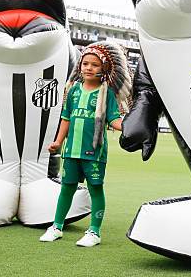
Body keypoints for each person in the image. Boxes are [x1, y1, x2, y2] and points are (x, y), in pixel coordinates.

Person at [39, 42, 131, 247]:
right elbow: (66, 118)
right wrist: (58, 142)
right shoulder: (73, 91)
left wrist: (130, 127)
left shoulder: (106, 94)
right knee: (66, 188)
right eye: (85, 63)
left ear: (104, 69)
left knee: (96, 189)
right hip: (71, 151)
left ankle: (94, 232)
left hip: (94, 153)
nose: (89, 68)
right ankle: (56, 227)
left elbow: (114, 120)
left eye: (95, 65)